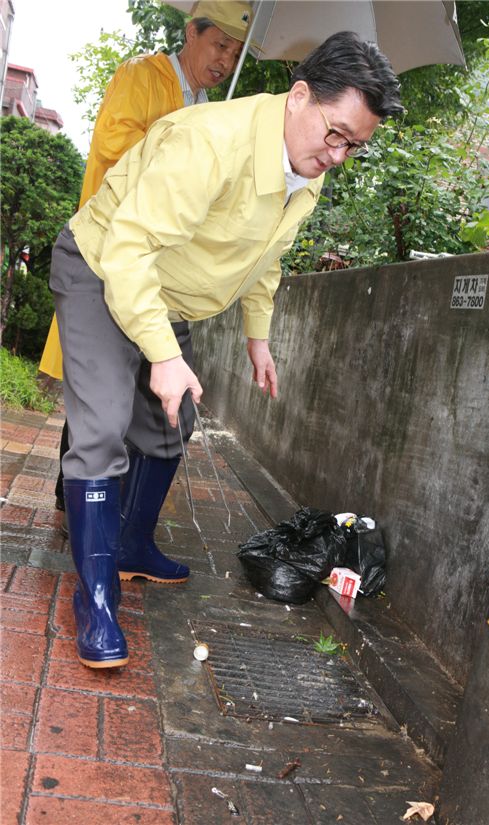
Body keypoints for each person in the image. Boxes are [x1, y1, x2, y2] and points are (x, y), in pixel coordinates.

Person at [50, 30, 403, 669]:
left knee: (172, 423)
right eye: (335, 134)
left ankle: (130, 547)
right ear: (300, 96)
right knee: (100, 426)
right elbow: (128, 250)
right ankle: (95, 600)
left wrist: (257, 336)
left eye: (355, 145)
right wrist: (162, 353)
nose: (339, 155)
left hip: (165, 292)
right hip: (105, 267)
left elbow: (266, 258)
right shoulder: (208, 142)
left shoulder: (306, 169)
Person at [38, 0, 254, 517]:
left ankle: (110, 512)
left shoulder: (206, 106)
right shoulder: (143, 75)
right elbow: (115, 147)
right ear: (191, 33)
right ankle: (73, 502)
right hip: (111, 251)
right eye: (219, 44)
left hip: (161, 269)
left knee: (130, 383)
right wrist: (183, 142)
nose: (225, 59)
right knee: (101, 380)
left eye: (236, 50)